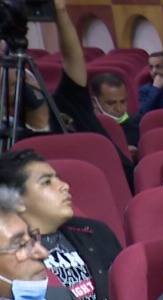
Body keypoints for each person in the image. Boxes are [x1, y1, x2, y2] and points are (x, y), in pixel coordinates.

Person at [0, 150, 121, 300]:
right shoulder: (11, 259)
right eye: (47, 182)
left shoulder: (95, 233)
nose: (64, 186)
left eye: (58, 178)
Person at [13, 0, 133, 175]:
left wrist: (61, 12)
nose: (22, 85)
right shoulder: (12, 133)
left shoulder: (68, 100)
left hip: (119, 181)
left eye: (25, 78)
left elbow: (72, 58)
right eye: (11, 85)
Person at [89, 73, 139, 149]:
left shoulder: (135, 127)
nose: (119, 109)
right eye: (111, 103)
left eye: (122, 102)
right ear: (94, 102)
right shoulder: (86, 129)